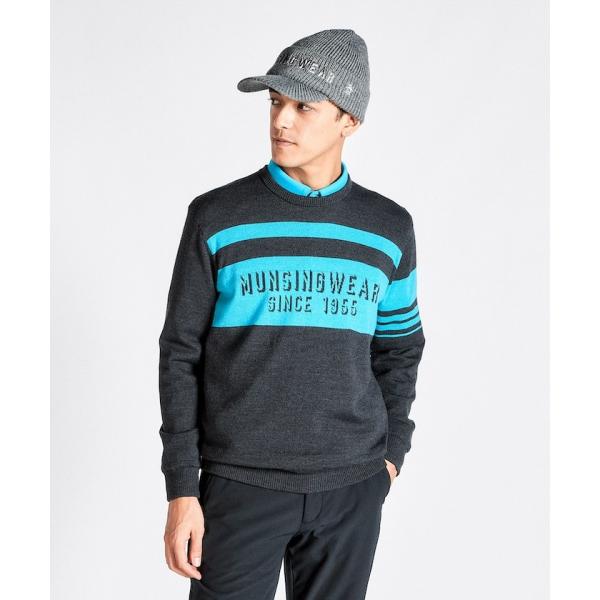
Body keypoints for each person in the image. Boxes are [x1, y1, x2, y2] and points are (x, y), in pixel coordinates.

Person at [158, 28, 426, 600]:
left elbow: (400, 347)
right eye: (276, 102)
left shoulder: (388, 228)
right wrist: (181, 488)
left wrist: (391, 453)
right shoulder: (217, 216)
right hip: (239, 483)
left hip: (353, 485)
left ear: (349, 121)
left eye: (304, 107)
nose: (281, 120)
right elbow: (180, 354)